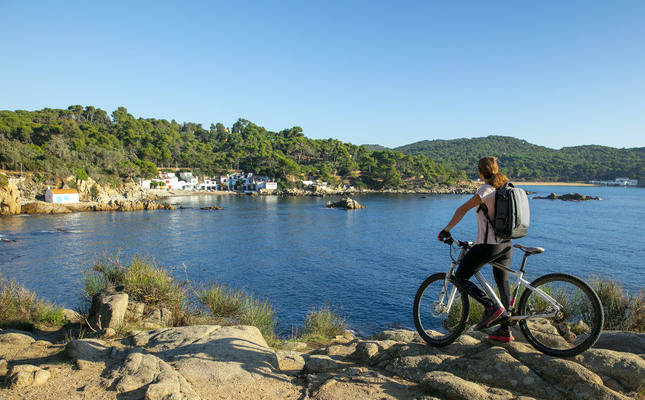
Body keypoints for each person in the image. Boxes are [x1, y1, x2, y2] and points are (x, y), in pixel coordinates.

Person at [437, 156, 514, 342]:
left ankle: (491, 308)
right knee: (503, 286)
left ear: (480, 172)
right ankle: (505, 329)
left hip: (489, 246)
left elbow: (462, 209)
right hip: (506, 245)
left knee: (461, 277)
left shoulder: (486, 190)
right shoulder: (506, 187)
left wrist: (446, 230)